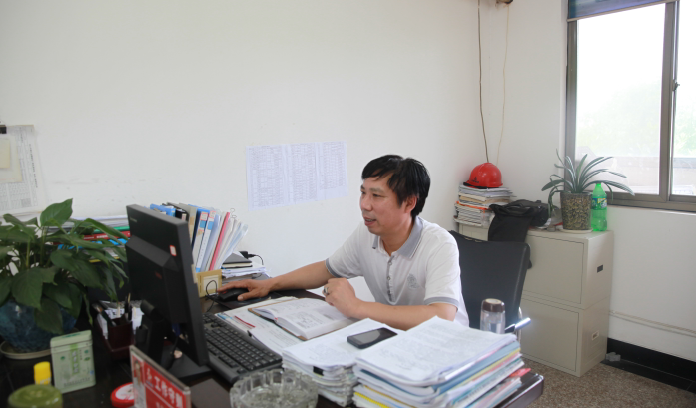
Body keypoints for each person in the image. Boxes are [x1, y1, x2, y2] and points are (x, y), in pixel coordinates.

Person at [219, 155, 468, 329]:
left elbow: (442, 316)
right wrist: (270, 284)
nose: (364, 204)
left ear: (409, 203)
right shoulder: (367, 233)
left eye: (376, 196)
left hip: (446, 351)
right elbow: (327, 269)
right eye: (363, 193)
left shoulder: (438, 244)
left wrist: (357, 307)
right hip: (395, 340)